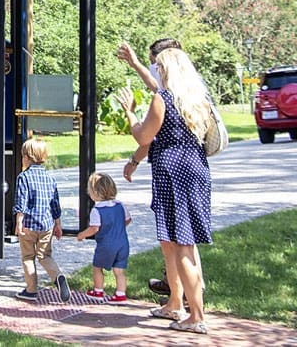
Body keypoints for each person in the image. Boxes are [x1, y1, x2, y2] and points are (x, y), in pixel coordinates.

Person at [115, 47, 212, 335]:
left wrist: (130, 113)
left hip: (171, 174)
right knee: (175, 242)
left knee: (181, 245)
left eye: (158, 66)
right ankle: (176, 306)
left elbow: (144, 135)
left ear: (167, 70)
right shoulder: (198, 100)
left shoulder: (163, 99)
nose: (156, 70)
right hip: (196, 171)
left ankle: (196, 315)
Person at [13, 139, 71, 303]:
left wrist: (19, 222)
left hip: (29, 225)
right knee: (45, 255)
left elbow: (21, 202)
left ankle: (31, 290)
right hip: (46, 225)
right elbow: (55, 203)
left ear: (27, 157)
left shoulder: (23, 177)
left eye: (23, 155)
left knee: (28, 257)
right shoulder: (49, 178)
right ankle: (58, 276)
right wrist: (58, 224)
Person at [76, 172, 131, 303]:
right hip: (123, 243)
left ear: (94, 192)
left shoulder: (97, 210)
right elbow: (128, 220)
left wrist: (82, 234)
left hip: (106, 244)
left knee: (97, 267)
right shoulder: (120, 205)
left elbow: (94, 228)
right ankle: (120, 294)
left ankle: (98, 290)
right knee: (119, 270)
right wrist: (117, 226)